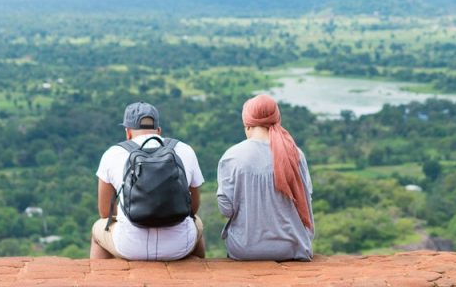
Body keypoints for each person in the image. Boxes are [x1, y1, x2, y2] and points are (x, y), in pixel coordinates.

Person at [92, 101, 205, 260]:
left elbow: (105, 212)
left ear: (128, 133)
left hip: (130, 247)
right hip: (179, 246)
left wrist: (135, 209)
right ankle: (201, 276)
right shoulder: (184, 150)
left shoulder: (112, 154)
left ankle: (98, 280)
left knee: (98, 229)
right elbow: (193, 207)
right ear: (158, 131)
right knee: (196, 223)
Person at [217, 94, 314, 261]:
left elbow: (226, 209)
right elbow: (307, 196)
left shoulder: (232, 156)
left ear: (247, 125)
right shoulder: (295, 154)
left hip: (245, 249)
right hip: (292, 248)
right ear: (277, 121)